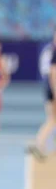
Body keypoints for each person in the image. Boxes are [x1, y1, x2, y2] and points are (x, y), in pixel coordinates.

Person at [28, 32, 56, 161]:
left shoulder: (49, 50)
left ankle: (41, 145)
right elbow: (52, 72)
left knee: (52, 119)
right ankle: (39, 144)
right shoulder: (52, 51)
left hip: (49, 87)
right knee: (52, 119)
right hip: (52, 88)